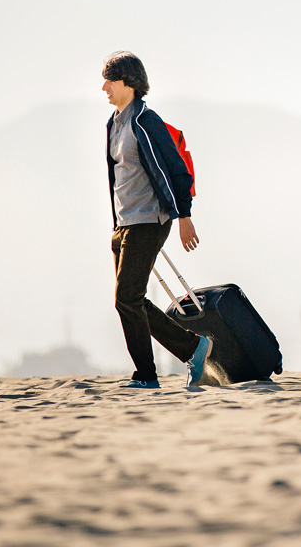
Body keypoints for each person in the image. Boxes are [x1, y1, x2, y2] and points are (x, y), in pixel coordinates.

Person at [102, 51, 211, 388]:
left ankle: (148, 376)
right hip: (124, 223)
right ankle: (193, 347)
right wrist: (116, 223)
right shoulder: (114, 124)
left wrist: (184, 216)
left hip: (150, 220)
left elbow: (176, 169)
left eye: (110, 80)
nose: (104, 87)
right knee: (131, 300)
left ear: (128, 83)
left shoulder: (146, 122)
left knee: (126, 299)